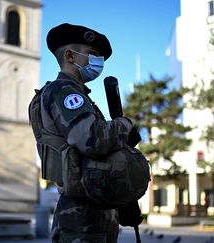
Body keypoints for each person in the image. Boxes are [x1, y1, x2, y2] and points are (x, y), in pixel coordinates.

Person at [29, 23, 136, 243]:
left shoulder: (74, 94)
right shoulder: (63, 92)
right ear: (70, 55)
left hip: (91, 210)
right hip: (82, 216)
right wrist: (125, 124)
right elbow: (92, 140)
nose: (99, 62)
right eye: (93, 54)